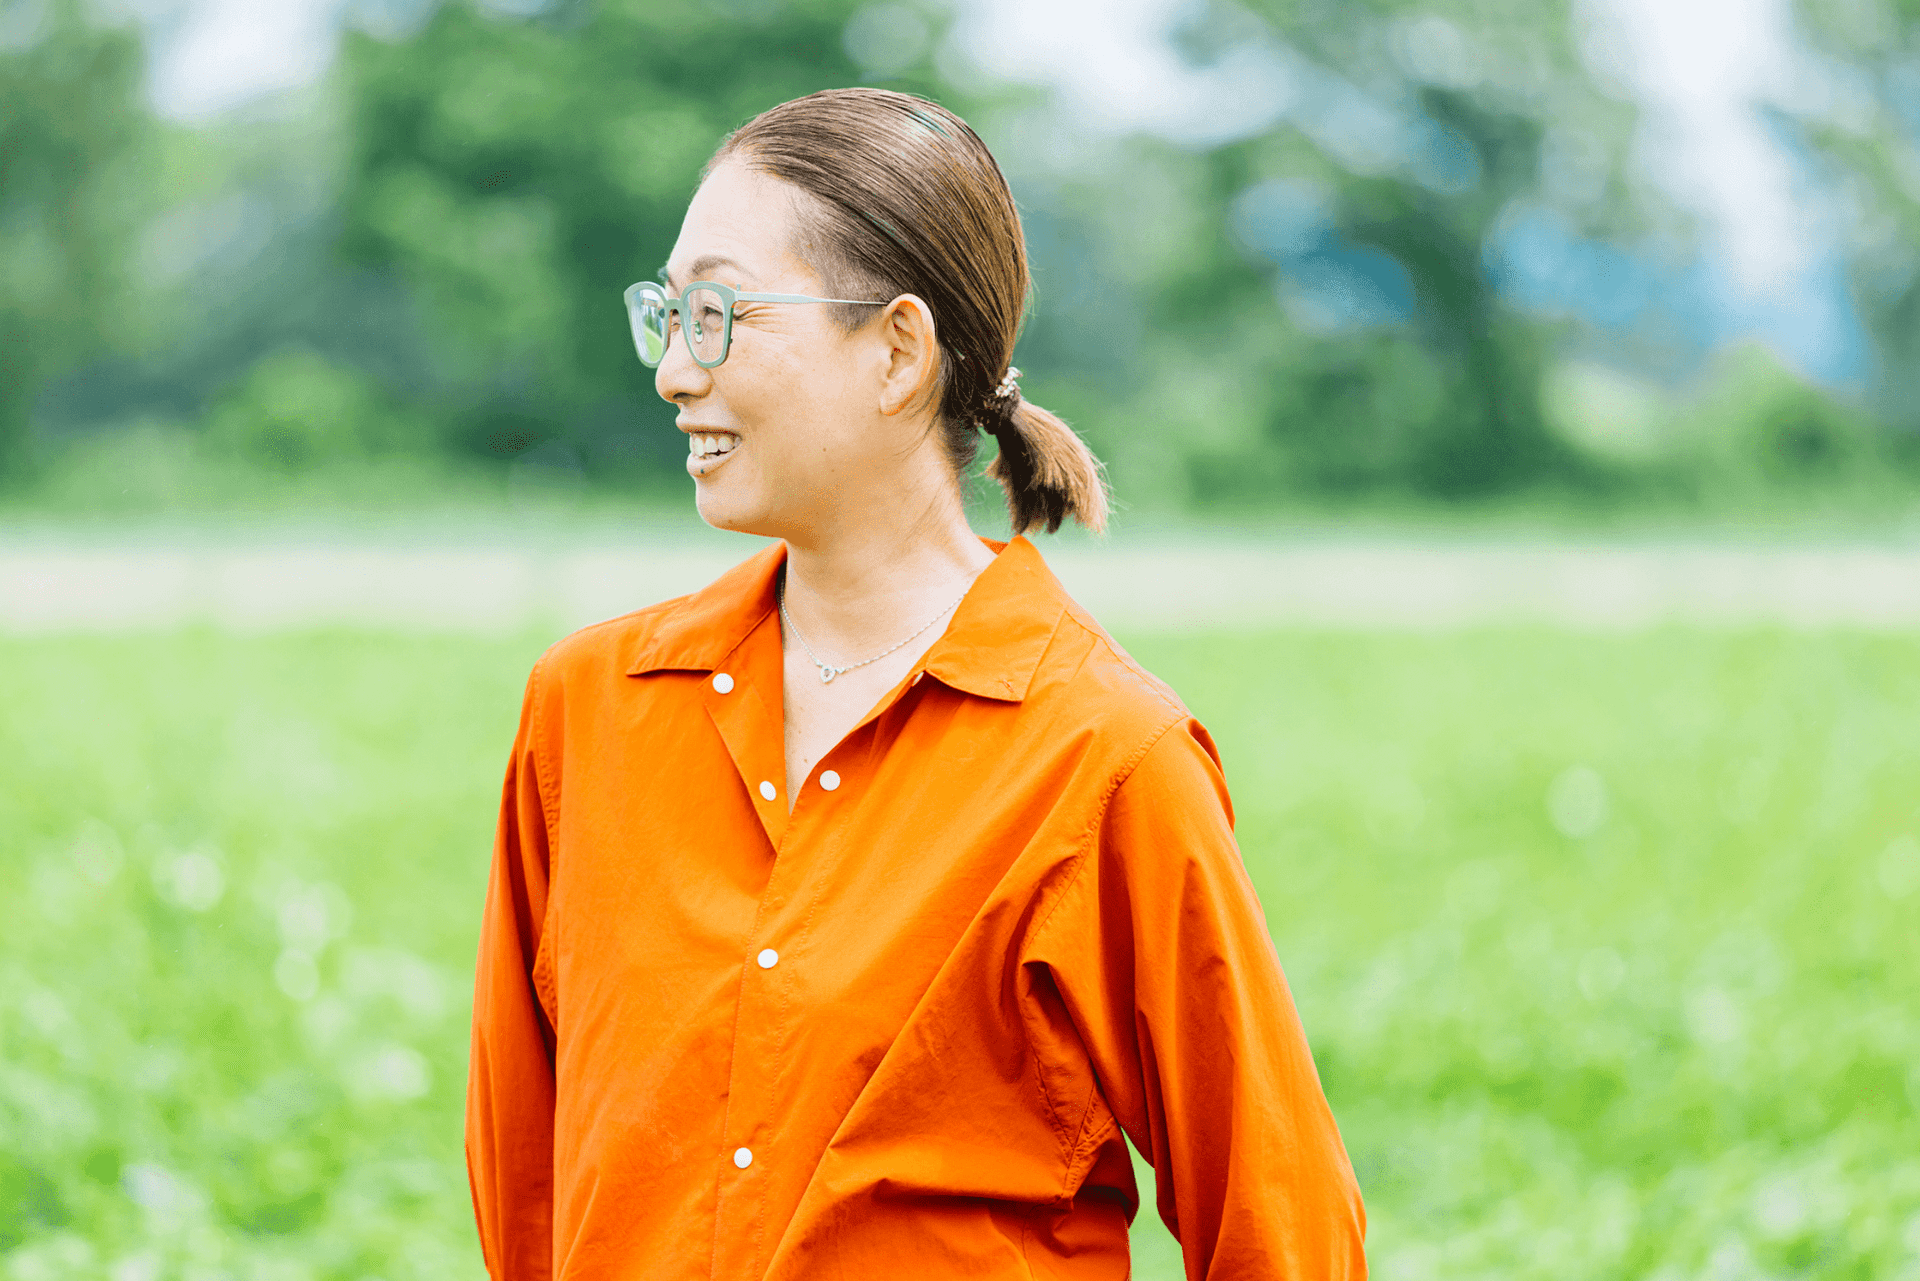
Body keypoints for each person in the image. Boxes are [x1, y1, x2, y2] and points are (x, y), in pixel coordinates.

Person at [466, 87, 1365, 1280]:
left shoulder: (1103, 759)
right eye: (667, 314)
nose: (676, 371)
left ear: (896, 351)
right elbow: (528, 1184)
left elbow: (1280, 1223)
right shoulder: (587, 708)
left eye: (720, 313)